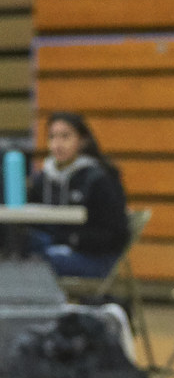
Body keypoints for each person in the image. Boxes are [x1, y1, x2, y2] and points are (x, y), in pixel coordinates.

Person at [27, 111, 130, 278]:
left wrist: (71, 240)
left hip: (93, 257)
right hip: (52, 247)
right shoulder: (43, 180)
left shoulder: (98, 179)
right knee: (16, 253)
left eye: (65, 136)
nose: (58, 144)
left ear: (82, 140)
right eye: (52, 137)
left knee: (34, 264)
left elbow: (116, 234)